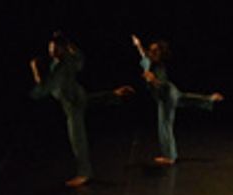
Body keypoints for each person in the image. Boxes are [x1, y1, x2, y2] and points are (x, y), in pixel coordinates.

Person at [30, 32, 134, 187]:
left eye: (55, 49)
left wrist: (35, 70)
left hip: (72, 103)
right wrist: (69, 42)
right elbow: (79, 58)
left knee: (77, 138)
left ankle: (84, 174)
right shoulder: (63, 61)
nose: (51, 52)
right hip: (78, 95)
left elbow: (43, 89)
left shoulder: (62, 66)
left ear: (62, 49)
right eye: (50, 49)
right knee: (88, 101)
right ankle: (115, 94)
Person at [131, 34, 223, 166]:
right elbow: (143, 55)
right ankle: (210, 99)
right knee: (185, 99)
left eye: (154, 51)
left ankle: (170, 157)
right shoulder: (149, 60)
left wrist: (153, 80)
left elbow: (160, 84)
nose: (150, 52)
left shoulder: (159, 67)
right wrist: (138, 44)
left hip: (167, 95)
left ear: (160, 55)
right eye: (150, 50)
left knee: (165, 125)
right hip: (172, 91)